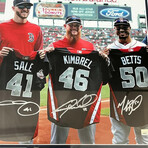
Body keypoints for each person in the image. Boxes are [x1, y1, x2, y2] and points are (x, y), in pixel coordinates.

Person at [44, 15, 110, 144]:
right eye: (71, 25)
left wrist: (101, 57)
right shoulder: (55, 46)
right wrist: (45, 53)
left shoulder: (90, 46)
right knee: (57, 141)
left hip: (84, 100)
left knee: (88, 141)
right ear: (65, 27)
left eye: (76, 26)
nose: (73, 28)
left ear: (81, 27)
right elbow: (44, 70)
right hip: (62, 101)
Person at [0, 0, 45, 144]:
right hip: (4, 80)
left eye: (28, 7)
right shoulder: (1, 27)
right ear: (13, 8)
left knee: (26, 117)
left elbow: (38, 53)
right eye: (21, 6)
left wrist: (42, 55)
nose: (25, 9)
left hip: (26, 83)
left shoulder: (36, 29)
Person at [104, 18, 148, 144]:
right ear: (115, 30)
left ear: (130, 29)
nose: (122, 30)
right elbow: (103, 79)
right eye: (118, 28)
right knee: (120, 140)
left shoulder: (143, 49)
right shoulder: (109, 50)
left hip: (143, 104)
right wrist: (103, 60)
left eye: (125, 27)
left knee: (145, 139)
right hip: (120, 104)